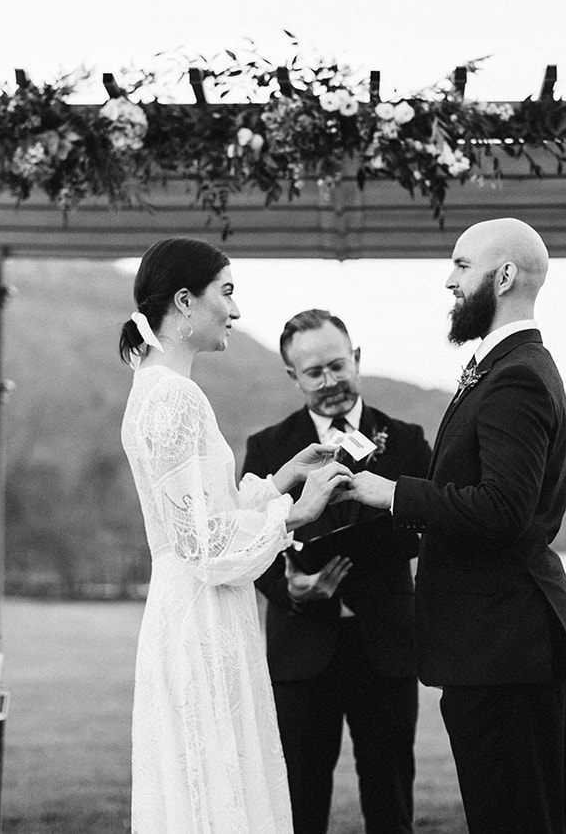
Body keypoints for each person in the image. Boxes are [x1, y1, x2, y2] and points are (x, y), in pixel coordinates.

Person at [341, 218, 566, 834]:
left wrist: (393, 492)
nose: (447, 281)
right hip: (498, 644)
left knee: (517, 820)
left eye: (460, 266)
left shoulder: (517, 376)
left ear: (503, 276)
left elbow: (503, 509)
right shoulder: (504, 366)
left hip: (506, 646)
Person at [118, 237, 351, 834]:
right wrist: (297, 512)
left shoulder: (152, 386)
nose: (237, 310)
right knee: (214, 790)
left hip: (190, 608)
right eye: (226, 292)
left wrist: (278, 481)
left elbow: (200, 516)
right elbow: (205, 548)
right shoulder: (176, 397)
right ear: (184, 302)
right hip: (201, 616)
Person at [246, 310, 432, 834]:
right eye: (313, 373)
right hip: (302, 649)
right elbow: (247, 534)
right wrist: (287, 587)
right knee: (300, 801)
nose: (328, 382)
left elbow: (434, 524)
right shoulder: (268, 449)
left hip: (387, 645)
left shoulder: (409, 440)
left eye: (336, 366)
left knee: (391, 797)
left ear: (356, 358)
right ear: (292, 377)